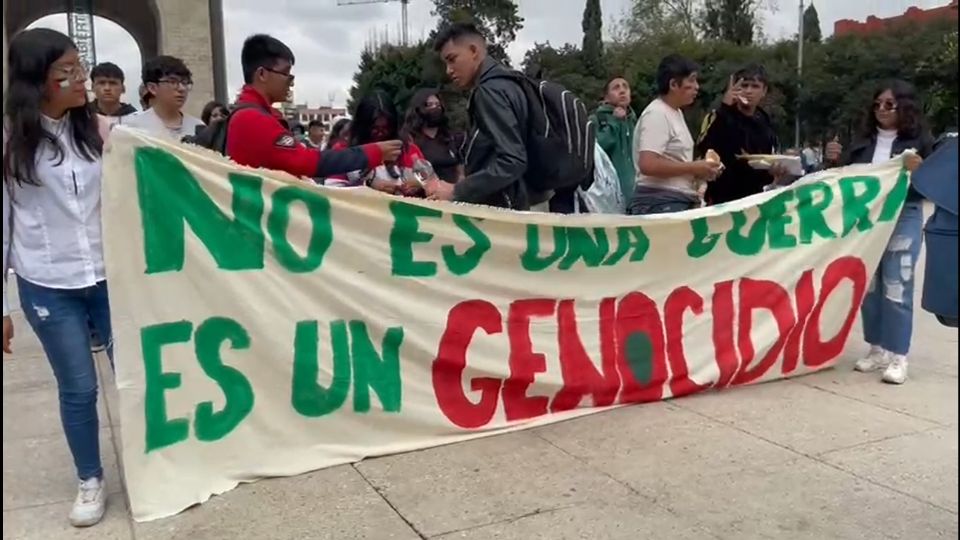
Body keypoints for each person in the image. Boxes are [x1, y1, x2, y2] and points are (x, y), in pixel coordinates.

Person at [3, 28, 113, 528]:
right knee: (78, 387)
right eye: (67, 71)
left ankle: (152, 459)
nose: (81, 79)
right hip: (48, 283)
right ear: (37, 81)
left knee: (135, 376)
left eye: (81, 67)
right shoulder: (10, 142)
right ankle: (90, 479)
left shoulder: (100, 131)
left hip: (110, 278)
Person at [824, 80, 931, 384]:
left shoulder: (921, 142)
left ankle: (899, 355)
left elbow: (928, 183)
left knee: (897, 283)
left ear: (905, 107)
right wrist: (833, 159)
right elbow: (842, 179)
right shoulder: (862, 142)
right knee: (869, 284)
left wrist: (918, 170)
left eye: (889, 104)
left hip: (903, 215)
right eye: (877, 105)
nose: (881, 110)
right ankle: (877, 348)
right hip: (867, 219)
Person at [226, 34, 400, 179]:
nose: (291, 83)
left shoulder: (258, 114)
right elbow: (306, 162)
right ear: (262, 74)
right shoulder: (252, 119)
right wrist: (371, 153)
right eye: (286, 74)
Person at [427, 23, 532, 210]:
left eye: (452, 59)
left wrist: (457, 191)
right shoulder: (510, 83)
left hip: (504, 208)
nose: (448, 70)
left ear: (473, 51)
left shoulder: (489, 91)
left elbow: (512, 160)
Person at [628, 55, 720, 215]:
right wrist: (693, 167)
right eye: (691, 81)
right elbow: (648, 164)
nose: (696, 87)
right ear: (673, 84)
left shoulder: (675, 112)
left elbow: (673, 161)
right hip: (660, 202)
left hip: (674, 199)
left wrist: (700, 170)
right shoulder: (657, 114)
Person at [696, 64, 781, 204]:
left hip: (754, 199)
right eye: (744, 85)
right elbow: (705, 148)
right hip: (722, 198)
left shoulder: (765, 122)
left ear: (764, 91)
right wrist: (725, 109)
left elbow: (766, 161)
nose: (748, 91)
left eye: (754, 86)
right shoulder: (719, 115)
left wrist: (774, 172)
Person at [328, 92, 427, 197]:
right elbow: (332, 192)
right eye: (375, 128)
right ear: (362, 126)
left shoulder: (409, 150)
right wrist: (368, 187)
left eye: (386, 128)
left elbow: (432, 184)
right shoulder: (343, 151)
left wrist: (419, 187)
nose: (380, 133)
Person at [125, 55, 204, 139]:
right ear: (152, 88)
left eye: (184, 82)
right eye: (173, 82)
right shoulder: (132, 127)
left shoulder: (198, 128)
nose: (182, 88)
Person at [590, 77, 637, 205]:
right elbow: (597, 150)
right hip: (609, 194)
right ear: (606, 97)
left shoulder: (634, 120)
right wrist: (614, 123)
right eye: (616, 88)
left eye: (625, 87)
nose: (622, 91)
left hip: (636, 192)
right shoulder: (597, 120)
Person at [401, 89, 463, 184]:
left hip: (451, 192)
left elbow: (461, 169)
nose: (435, 108)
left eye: (438, 105)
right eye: (429, 105)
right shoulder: (409, 139)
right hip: (424, 193)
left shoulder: (451, 138)